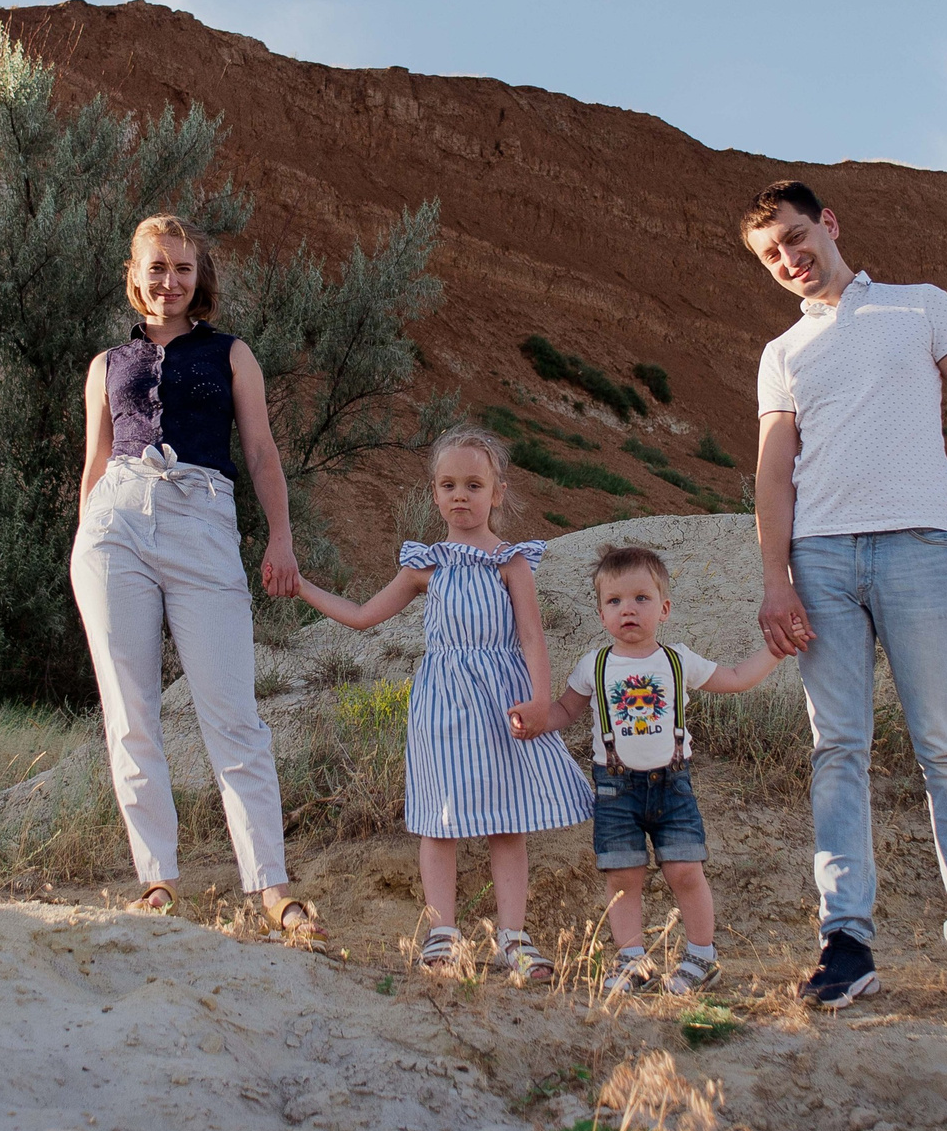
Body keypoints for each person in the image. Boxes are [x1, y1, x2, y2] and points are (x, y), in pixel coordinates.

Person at [742, 178, 947, 1006]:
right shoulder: (782, 354)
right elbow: (772, 470)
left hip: (919, 549)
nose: (791, 260)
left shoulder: (920, 306)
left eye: (798, 238)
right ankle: (846, 942)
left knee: (944, 741)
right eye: (772, 255)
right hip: (822, 562)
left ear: (829, 224)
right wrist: (775, 577)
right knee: (838, 748)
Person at [72, 213, 327, 949]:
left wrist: (280, 536)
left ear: (198, 276)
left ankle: (270, 885)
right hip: (114, 526)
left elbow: (260, 449)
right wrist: (80, 542)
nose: (169, 281)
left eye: (182, 268)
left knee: (231, 710)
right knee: (129, 709)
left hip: (202, 517)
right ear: (135, 272)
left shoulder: (232, 353)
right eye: (156, 267)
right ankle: (156, 876)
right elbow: (94, 464)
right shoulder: (105, 364)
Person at [289, 427, 592, 982]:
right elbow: (362, 616)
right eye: (449, 484)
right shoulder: (423, 566)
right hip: (442, 705)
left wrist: (542, 701)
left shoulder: (512, 563)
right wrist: (303, 587)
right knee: (441, 819)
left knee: (509, 820)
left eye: (474, 484)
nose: (461, 495)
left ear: (497, 492)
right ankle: (442, 937)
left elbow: (531, 638)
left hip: (504, 701)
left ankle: (514, 941)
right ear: (433, 493)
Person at [512, 544, 783, 996]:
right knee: (623, 877)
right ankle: (632, 960)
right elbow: (565, 711)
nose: (628, 610)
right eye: (614, 601)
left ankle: (701, 957)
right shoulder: (593, 666)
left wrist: (776, 650)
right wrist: (537, 718)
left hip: (673, 786)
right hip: (616, 791)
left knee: (685, 871)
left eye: (641, 598)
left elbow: (735, 677)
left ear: (665, 608)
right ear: (601, 615)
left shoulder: (677, 660)